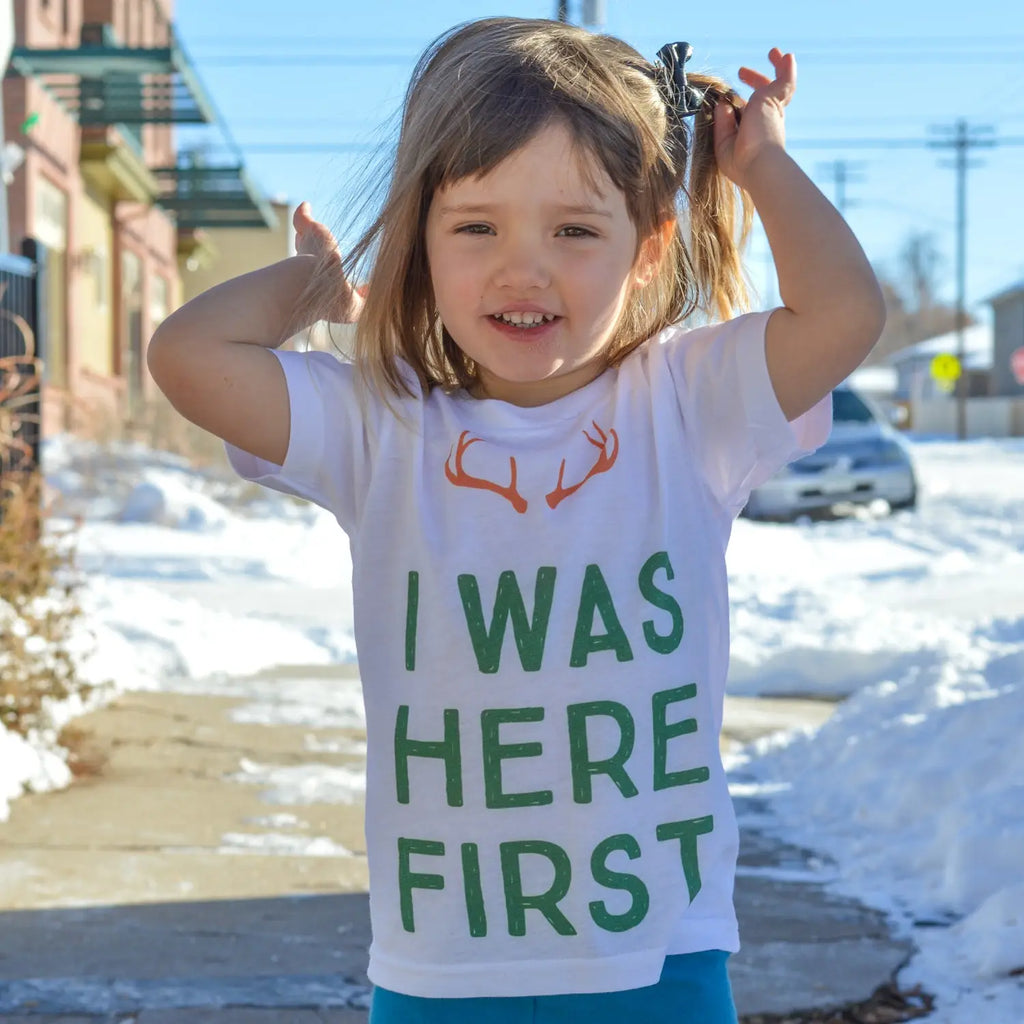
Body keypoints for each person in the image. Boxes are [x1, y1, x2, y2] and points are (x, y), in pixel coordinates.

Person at [147, 17, 884, 1024]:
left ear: (648, 243)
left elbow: (844, 314)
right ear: (420, 244)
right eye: (475, 227)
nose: (521, 270)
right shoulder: (381, 422)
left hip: (656, 954)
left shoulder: (687, 402)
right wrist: (316, 287)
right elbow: (187, 357)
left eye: (575, 230)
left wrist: (761, 167)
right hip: (440, 968)